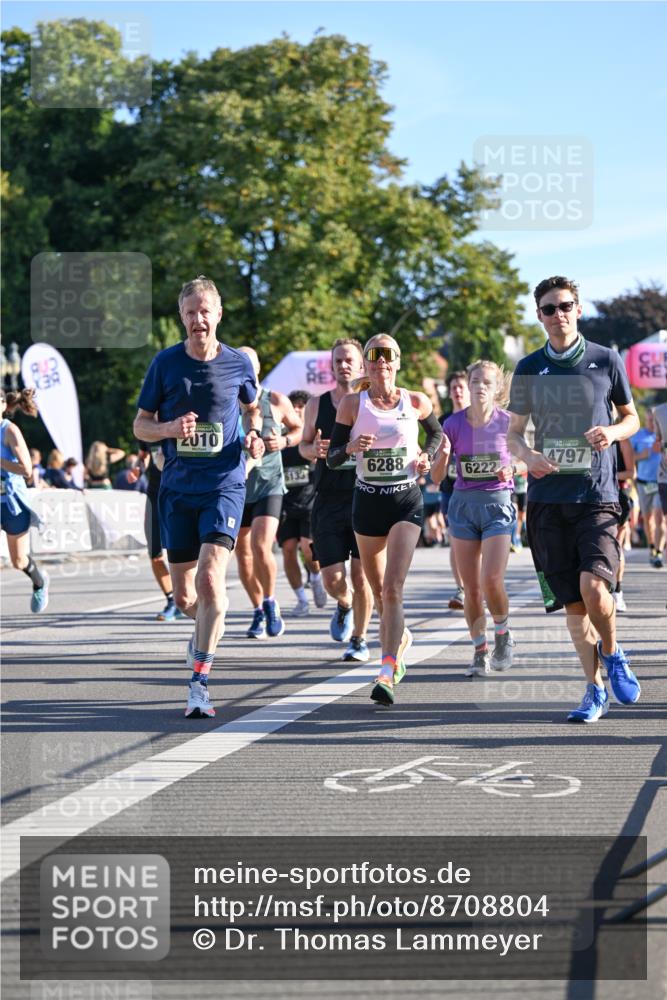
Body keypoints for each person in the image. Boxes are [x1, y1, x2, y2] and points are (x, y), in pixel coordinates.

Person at [507, 275, 641, 723]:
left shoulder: (606, 359)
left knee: (594, 587)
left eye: (565, 306)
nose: (558, 314)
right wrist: (528, 456)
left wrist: (612, 431)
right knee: (573, 604)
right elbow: (513, 434)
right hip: (547, 499)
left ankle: (613, 651)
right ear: (539, 315)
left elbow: (631, 418)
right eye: (549, 308)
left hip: (596, 494)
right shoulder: (528, 367)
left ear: (578, 309)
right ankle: (593, 689)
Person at [133, 275, 264, 719]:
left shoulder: (238, 364)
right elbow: (140, 424)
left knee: (211, 581)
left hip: (225, 484)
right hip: (178, 490)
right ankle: (207, 627)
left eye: (205, 310)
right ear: (182, 318)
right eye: (190, 312)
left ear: (218, 314)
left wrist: (255, 438)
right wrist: (169, 429)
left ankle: (199, 682)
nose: (198, 319)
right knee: (188, 597)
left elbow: (251, 407)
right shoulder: (165, 364)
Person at [327, 333, 442, 704]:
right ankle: (401, 637)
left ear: (397, 361)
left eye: (388, 355)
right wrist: (349, 448)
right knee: (378, 594)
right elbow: (332, 458)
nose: (381, 362)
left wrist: (426, 455)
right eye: (374, 356)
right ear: (366, 364)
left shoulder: (415, 401)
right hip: (367, 502)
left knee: (393, 588)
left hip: (405, 501)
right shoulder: (350, 404)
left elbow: (437, 434)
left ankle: (387, 670)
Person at [431, 361, 517, 677]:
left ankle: (503, 634)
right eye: (475, 381)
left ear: (496, 389)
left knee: (491, 579)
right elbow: (437, 478)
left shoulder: (509, 422)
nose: (480, 386)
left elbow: (526, 459)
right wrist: (441, 453)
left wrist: (514, 469)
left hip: (498, 505)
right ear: (467, 385)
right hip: (463, 506)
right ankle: (480, 650)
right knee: (471, 589)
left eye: (487, 382)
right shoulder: (451, 424)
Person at [298, 339, 373, 662]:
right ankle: (344, 604)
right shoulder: (317, 405)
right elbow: (301, 445)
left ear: (361, 367)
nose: (343, 365)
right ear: (332, 366)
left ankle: (359, 638)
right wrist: (312, 450)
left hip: (364, 494)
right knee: (333, 580)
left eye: (349, 361)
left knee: (362, 575)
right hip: (327, 499)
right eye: (338, 360)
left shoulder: (370, 404)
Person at [234, 347, 303, 640]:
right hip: (236, 485)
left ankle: (271, 601)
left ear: (259, 367)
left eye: (250, 364)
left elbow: (300, 430)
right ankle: (258, 608)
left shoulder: (275, 400)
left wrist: (285, 441)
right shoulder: (226, 401)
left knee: (262, 546)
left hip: (269, 483)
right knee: (243, 554)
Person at [278, 390, 328, 616]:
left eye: (302, 407)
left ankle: (316, 577)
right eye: (294, 406)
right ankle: (300, 599)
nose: (297, 410)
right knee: (288, 550)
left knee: (308, 550)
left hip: (309, 502)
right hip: (284, 504)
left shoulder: (312, 437)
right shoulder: (281, 439)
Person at [1, 388, 50, 612]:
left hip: (11, 503)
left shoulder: (9, 431)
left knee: (18, 561)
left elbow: (27, 469)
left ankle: (39, 581)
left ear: (3, 405)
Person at [136, 439, 186, 621]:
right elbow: (143, 456)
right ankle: (172, 600)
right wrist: (138, 469)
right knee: (154, 553)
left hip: (179, 495)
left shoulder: (176, 418)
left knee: (186, 553)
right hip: (154, 497)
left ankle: (189, 595)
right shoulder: (145, 426)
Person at [438, 370, 470, 609]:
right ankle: (461, 589)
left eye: (461, 386)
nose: (457, 391)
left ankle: (475, 585)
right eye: (454, 388)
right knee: (455, 538)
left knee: (476, 542)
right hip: (451, 489)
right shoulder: (443, 421)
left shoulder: (479, 418)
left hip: (479, 488)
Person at [631, 407, 663, 567]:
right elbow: (628, 457)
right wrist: (641, 455)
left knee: (659, 517)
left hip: (661, 483)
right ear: (646, 420)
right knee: (648, 519)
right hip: (644, 483)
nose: (652, 423)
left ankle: (658, 551)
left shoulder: (663, 435)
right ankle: (652, 547)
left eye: (654, 421)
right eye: (650, 420)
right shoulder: (638, 436)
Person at [613, 433, 636, 613]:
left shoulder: (622, 440)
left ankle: (617, 591)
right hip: (592, 495)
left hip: (618, 495)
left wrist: (607, 474)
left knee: (616, 545)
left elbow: (631, 472)